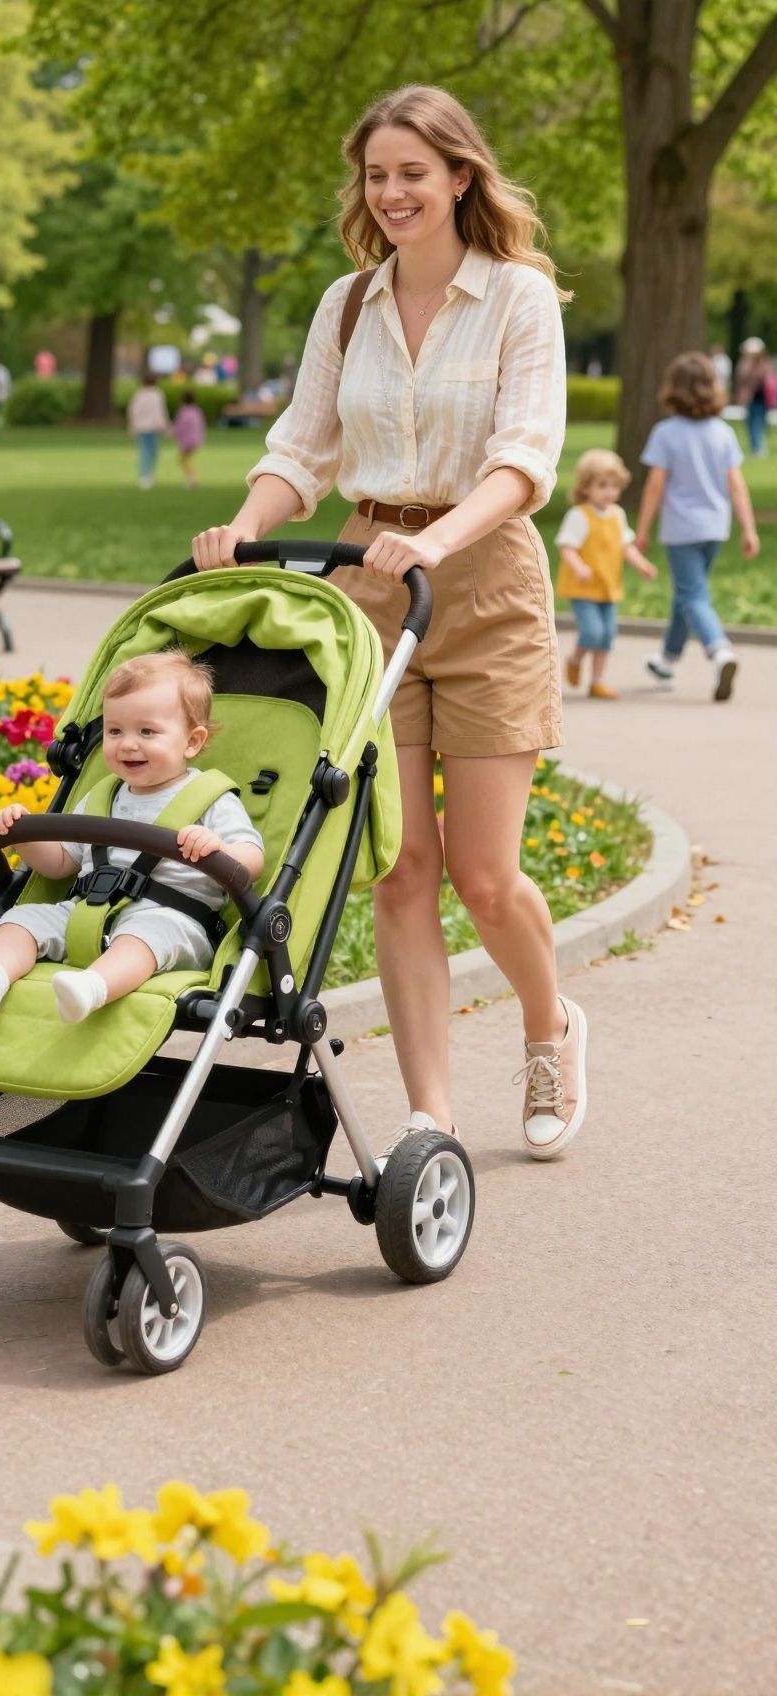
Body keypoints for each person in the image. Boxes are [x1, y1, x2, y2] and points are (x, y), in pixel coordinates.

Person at [191, 83, 585, 1159]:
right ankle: (432, 1117)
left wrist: (442, 539)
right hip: (370, 590)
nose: (394, 191)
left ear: (462, 175)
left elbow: (525, 455)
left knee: (485, 876)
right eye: (378, 174)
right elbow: (302, 448)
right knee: (402, 863)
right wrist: (244, 521)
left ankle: (548, 1027)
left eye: (415, 171)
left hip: (486, 582)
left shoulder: (517, 296)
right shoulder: (348, 303)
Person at [0, 651, 264, 1023]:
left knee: (143, 938)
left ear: (192, 742)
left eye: (147, 731)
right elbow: (60, 864)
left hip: (171, 920)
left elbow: (252, 859)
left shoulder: (210, 798)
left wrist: (218, 848)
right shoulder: (104, 794)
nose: (127, 744)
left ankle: (91, 988)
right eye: (115, 731)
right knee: (23, 918)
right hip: (88, 912)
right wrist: (24, 836)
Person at [638, 352, 760, 702]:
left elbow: (655, 486)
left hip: (681, 529)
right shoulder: (722, 433)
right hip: (715, 528)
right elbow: (737, 485)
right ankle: (666, 660)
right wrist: (748, 529)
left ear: (672, 389)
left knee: (692, 595)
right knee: (688, 594)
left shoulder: (665, 433)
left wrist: (643, 530)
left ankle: (720, 651)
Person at [555, 448, 657, 698]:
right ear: (586, 487)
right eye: (602, 485)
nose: (609, 492)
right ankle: (576, 660)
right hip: (583, 588)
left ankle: (597, 681)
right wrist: (579, 567)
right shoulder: (579, 516)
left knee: (607, 635)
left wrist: (642, 564)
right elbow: (567, 548)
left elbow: (626, 547)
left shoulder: (617, 515)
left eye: (614, 486)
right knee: (592, 632)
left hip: (608, 586)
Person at [128, 368, 170, 489]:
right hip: (153, 427)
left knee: (144, 452)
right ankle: (148, 475)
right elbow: (161, 412)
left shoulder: (139, 394)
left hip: (142, 427)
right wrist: (165, 427)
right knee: (152, 453)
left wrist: (132, 424)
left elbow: (133, 411)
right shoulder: (157, 394)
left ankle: (144, 476)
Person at [733, 337, 773, 457]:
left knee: (758, 422)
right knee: (750, 423)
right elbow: (740, 377)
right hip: (750, 398)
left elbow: (765, 377)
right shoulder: (745, 363)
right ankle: (756, 445)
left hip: (762, 398)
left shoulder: (764, 363)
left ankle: (758, 446)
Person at [173, 390, 207, 488]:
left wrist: (171, 432)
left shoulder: (183, 412)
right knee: (184, 459)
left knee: (182, 460)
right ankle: (192, 478)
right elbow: (202, 425)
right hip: (196, 439)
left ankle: (193, 479)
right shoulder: (197, 411)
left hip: (187, 441)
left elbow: (180, 426)